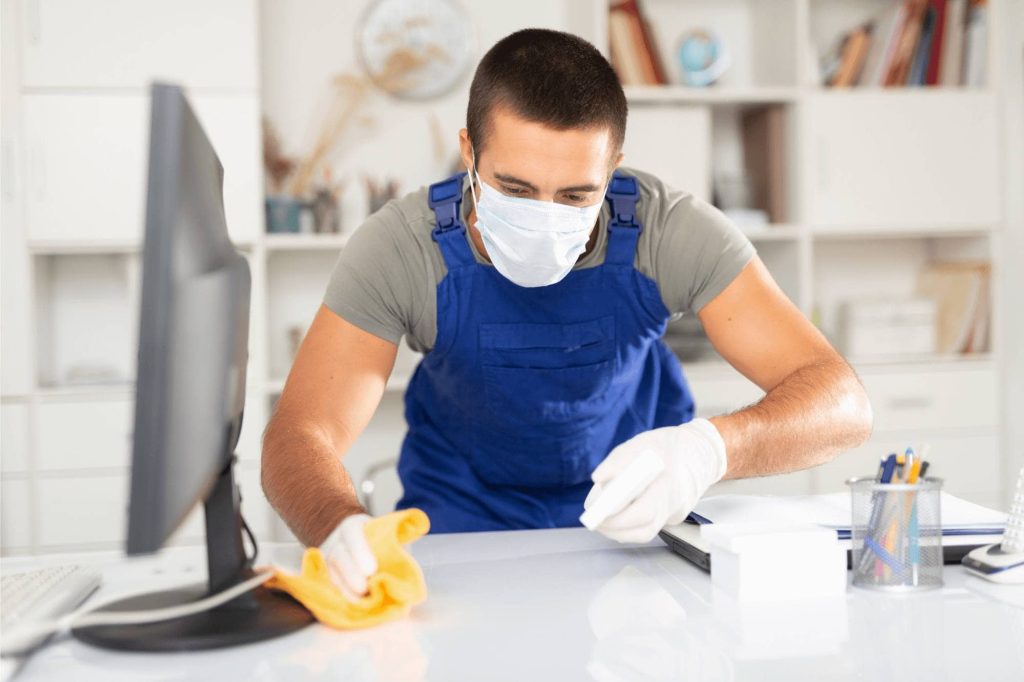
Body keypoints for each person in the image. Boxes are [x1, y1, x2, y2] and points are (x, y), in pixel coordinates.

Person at [262, 29, 872, 600]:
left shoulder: (669, 231)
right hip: (463, 523)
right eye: (516, 190)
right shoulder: (400, 248)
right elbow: (299, 435)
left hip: (634, 518)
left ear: (612, 167)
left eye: (577, 195)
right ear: (468, 150)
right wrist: (338, 525)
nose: (545, 218)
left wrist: (708, 450)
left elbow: (841, 404)